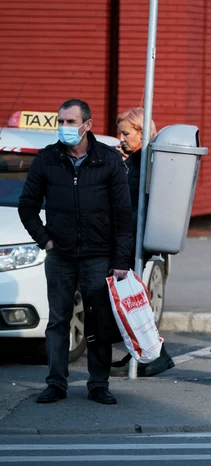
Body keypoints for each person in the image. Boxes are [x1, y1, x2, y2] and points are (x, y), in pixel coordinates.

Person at [18, 99, 133, 404]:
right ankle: (56, 382)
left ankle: (98, 383)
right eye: (61, 121)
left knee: (99, 320)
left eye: (70, 122)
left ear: (87, 125)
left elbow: (124, 215)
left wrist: (121, 259)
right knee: (58, 320)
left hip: (98, 255)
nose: (64, 128)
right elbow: (27, 206)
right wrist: (46, 241)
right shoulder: (47, 159)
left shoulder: (108, 161)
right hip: (61, 255)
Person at [109, 108, 174, 377]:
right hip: (131, 238)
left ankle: (155, 355)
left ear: (141, 132)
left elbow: (134, 203)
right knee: (135, 300)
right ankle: (145, 353)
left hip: (133, 239)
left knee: (133, 301)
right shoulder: (136, 160)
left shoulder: (144, 161)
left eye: (126, 133)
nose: (121, 138)